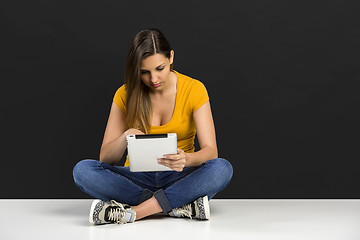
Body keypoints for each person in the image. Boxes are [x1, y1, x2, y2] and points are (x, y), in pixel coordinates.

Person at [73, 28, 233, 225]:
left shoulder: (194, 89)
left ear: (171, 57)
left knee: (222, 168)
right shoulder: (125, 94)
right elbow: (106, 159)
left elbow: (211, 151)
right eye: (144, 72)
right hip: (135, 178)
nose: (153, 79)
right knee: (82, 171)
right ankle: (177, 206)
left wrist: (187, 158)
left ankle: (137, 211)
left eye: (160, 68)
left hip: (179, 176)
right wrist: (125, 137)